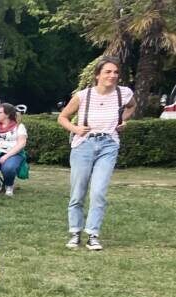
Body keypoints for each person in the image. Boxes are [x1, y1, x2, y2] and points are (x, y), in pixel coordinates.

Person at [57, 56, 134, 251]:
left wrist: (122, 120)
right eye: (108, 72)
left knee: (99, 191)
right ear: (98, 75)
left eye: (116, 72)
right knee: (78, 191)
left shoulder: (124, 94)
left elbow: (132, 106)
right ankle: (75, 232)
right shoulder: (84, 95)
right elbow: (62, 117)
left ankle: (93, 234)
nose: (113, 75)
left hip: (109, 144)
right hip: (84, 145)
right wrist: (75, 129)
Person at [0, 103, 28, 198]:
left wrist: (6, 156)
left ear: (7, 115)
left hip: (14, 153)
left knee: (8, 168)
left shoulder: (19, 126)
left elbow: (21, 144)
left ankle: (9, 185)